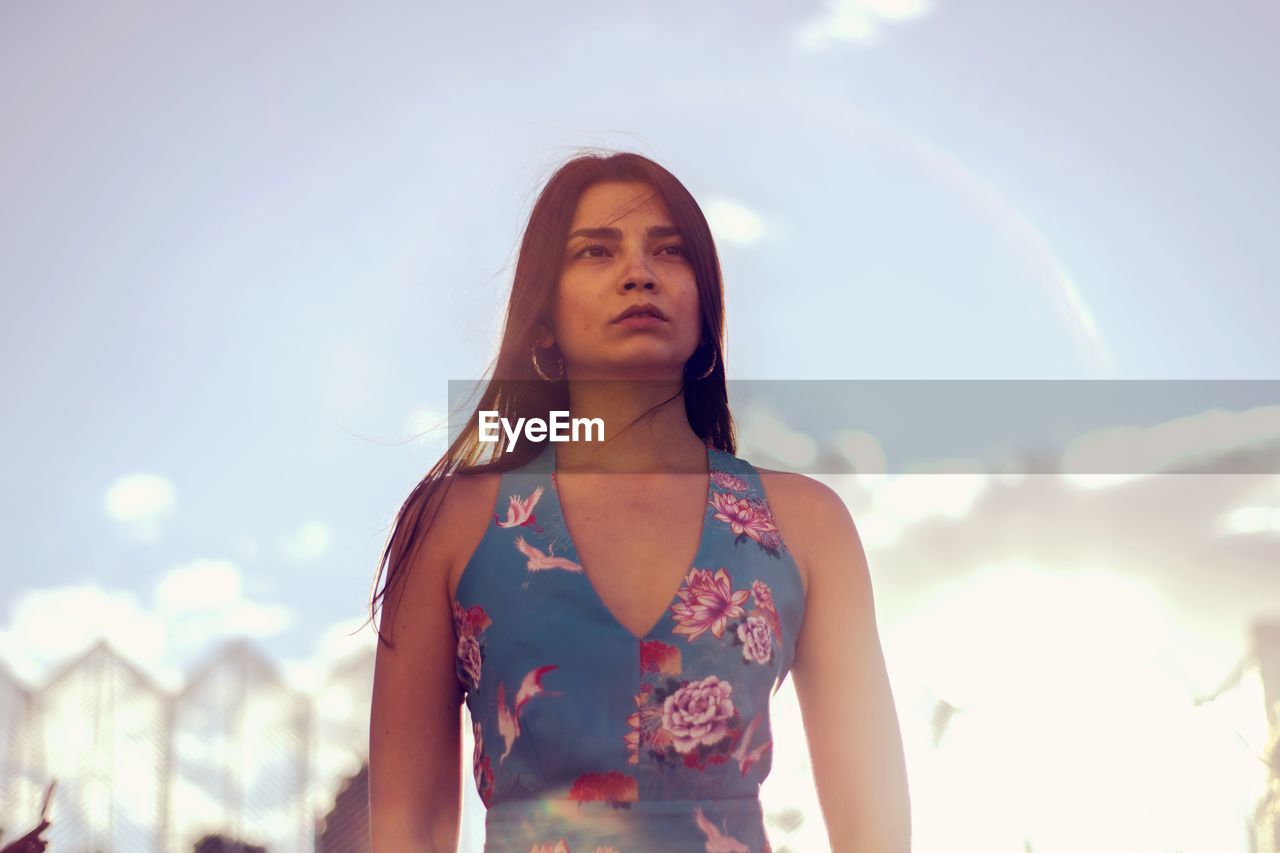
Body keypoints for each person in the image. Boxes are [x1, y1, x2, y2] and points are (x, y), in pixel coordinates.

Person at [368, 150, 911, 851]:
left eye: (669, 250)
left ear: (704, 300)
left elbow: (875, 827)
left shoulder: (807, 524)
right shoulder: (450, 523)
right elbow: (407, 831)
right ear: (542, 316)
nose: (638, 272)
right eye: (596, 250)